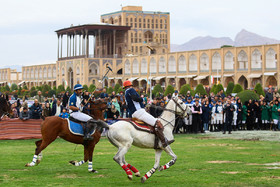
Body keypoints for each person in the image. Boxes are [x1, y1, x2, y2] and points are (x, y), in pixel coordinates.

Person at [123, 80, 169, 147]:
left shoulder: (126, 93)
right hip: (139, 112)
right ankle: (163, 141)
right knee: (157, 122)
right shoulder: (131, 90)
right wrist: (142, 99)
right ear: (130, 86)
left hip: (134, 113)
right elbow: (135, 98)